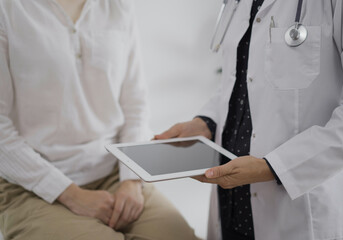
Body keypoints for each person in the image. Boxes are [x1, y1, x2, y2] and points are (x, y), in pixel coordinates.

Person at [155, 0, 343, 239]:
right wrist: (206, 122)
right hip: (230, 203)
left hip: (299, 212)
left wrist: (274, 167)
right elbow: (239, 81)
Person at [0, 0, 200, 239]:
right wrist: (69, 193)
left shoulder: (117, 6)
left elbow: (134, 105)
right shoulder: (7, 9)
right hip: (32, 185)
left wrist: (132, 179)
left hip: (115, 173)